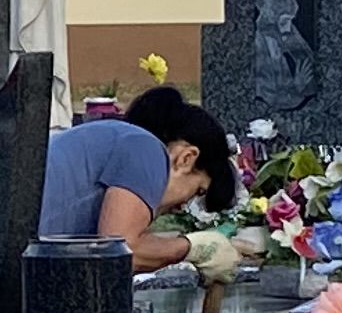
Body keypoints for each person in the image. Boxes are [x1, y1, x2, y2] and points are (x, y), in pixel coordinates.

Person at [41, 86, 230, 267]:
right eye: (198, 191)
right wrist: (194, 248)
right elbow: (120, 252)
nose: (182, 208)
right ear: (186, 159)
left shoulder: (116, 137)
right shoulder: (146, 149)